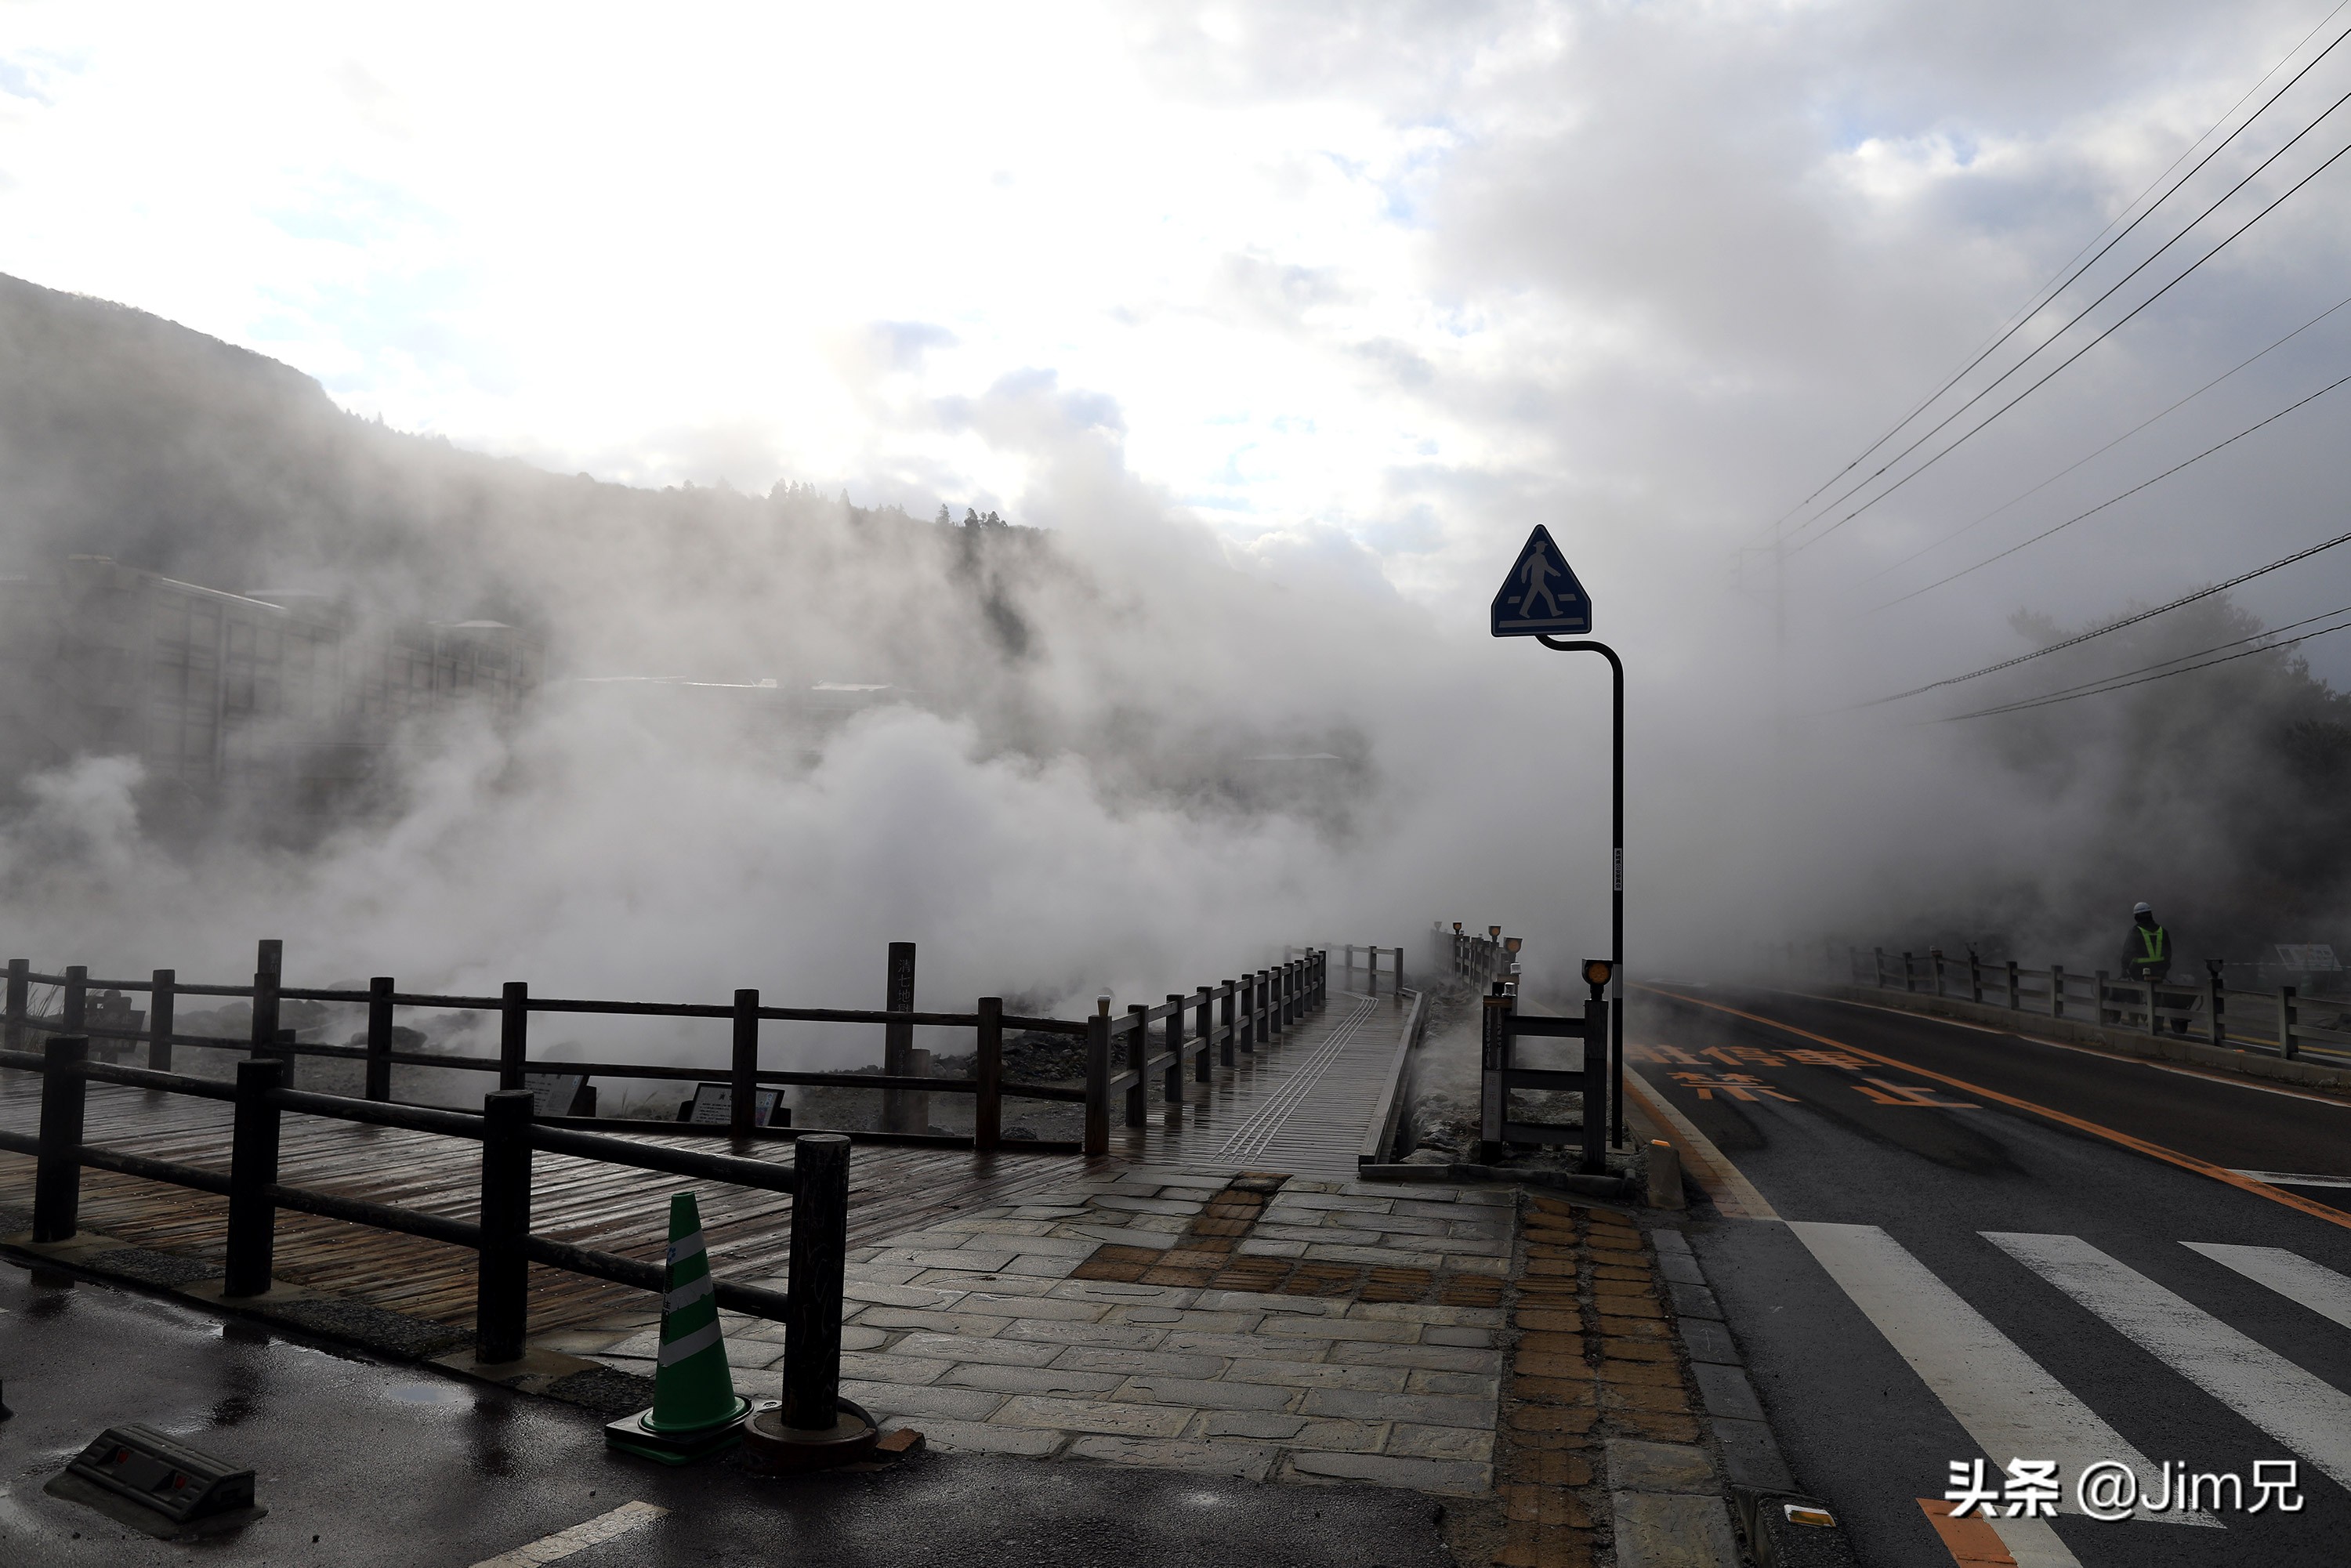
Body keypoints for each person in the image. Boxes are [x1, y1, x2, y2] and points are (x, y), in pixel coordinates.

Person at [2123, 902, 2186, 1034]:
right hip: (2160, 971)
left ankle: (2134, 1021)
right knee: (2157, 996)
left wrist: (2124, 969)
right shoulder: (2163, 931)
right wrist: (2164, 968)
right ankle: (2157, 1023)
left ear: (2137, 917)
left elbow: (2127, 953)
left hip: (2139, 972)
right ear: (2150, 914)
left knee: (2133, 992)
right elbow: (2168, 953)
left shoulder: (2135, 932)